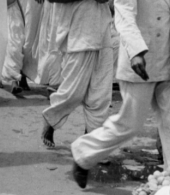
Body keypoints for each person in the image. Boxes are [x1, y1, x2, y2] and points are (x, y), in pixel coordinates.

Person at [71, 0, 170, 188]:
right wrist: (136, 52)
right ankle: (83, 152)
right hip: (139, 62)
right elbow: (124, 15)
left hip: (166, 59)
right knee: (130, 124)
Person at [41, 0, 113, 148]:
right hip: (79, 31)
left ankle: (93, 142)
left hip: (102, 28)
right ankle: (51, 119)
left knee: (101, 94)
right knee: (74, 91)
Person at [2, 0, 43, 94]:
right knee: (14, 41)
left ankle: (23, 75)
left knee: (29, 42)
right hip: (13, 4)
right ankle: (14, 80)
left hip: (32, 5)